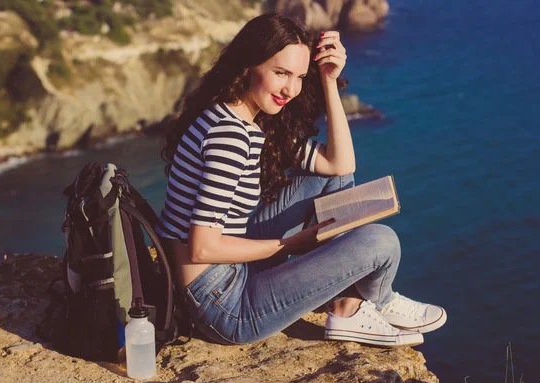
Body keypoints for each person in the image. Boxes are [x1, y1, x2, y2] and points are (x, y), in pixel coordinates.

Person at [156, 13, 446, 347]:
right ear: (249, 64)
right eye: (280, 73)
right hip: (223, 305)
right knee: (381, 241)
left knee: (334, 180)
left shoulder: (243, 116)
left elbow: (340, 165)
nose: (290, 89)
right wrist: (291, 245)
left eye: (299, 77)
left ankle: (346, 304)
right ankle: (374, 301)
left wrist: (328, 81)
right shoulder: (230, 137)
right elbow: (203, 246)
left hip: (228, 272)